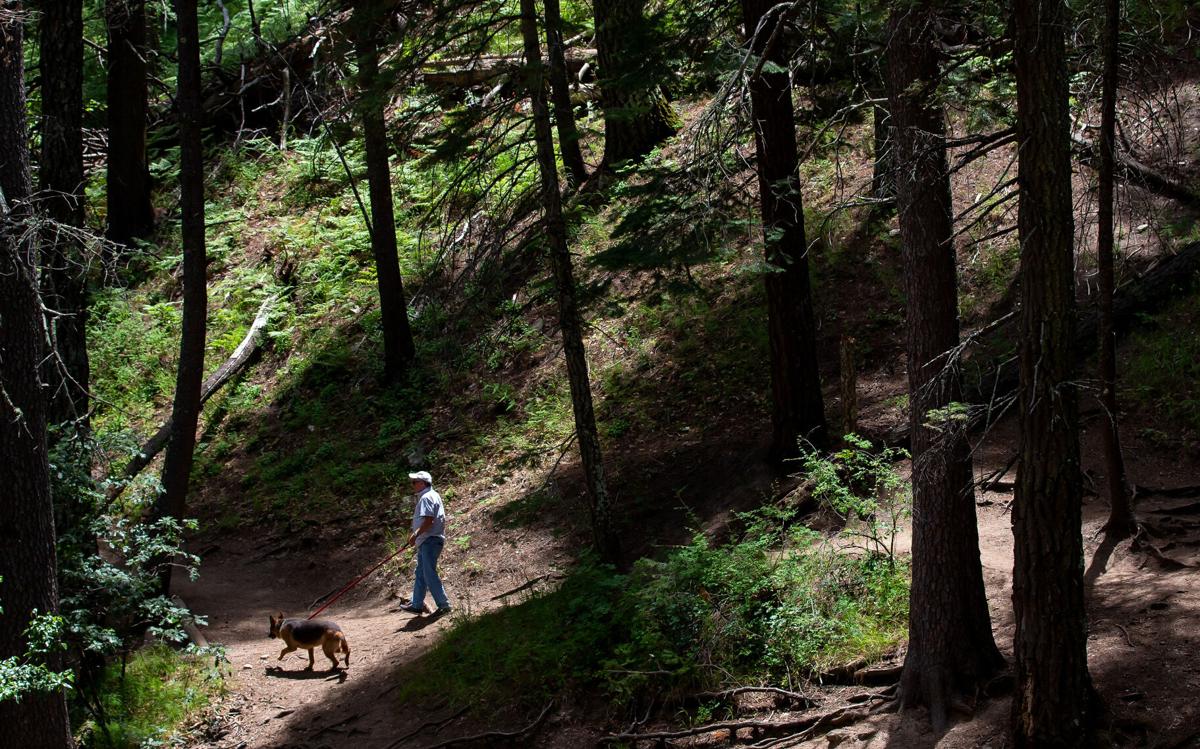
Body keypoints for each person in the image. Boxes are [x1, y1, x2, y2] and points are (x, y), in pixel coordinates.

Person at [398, 470, 451, 616]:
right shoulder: (431, 495)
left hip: (430, 540)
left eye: (414, 482)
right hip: (428, 541)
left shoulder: (427, 497)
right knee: (421, 573)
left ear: (423, 483)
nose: (412, 485)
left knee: (428, 573)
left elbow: (429, 520)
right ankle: (416, 604)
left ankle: (444, 605)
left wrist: (415, 534)